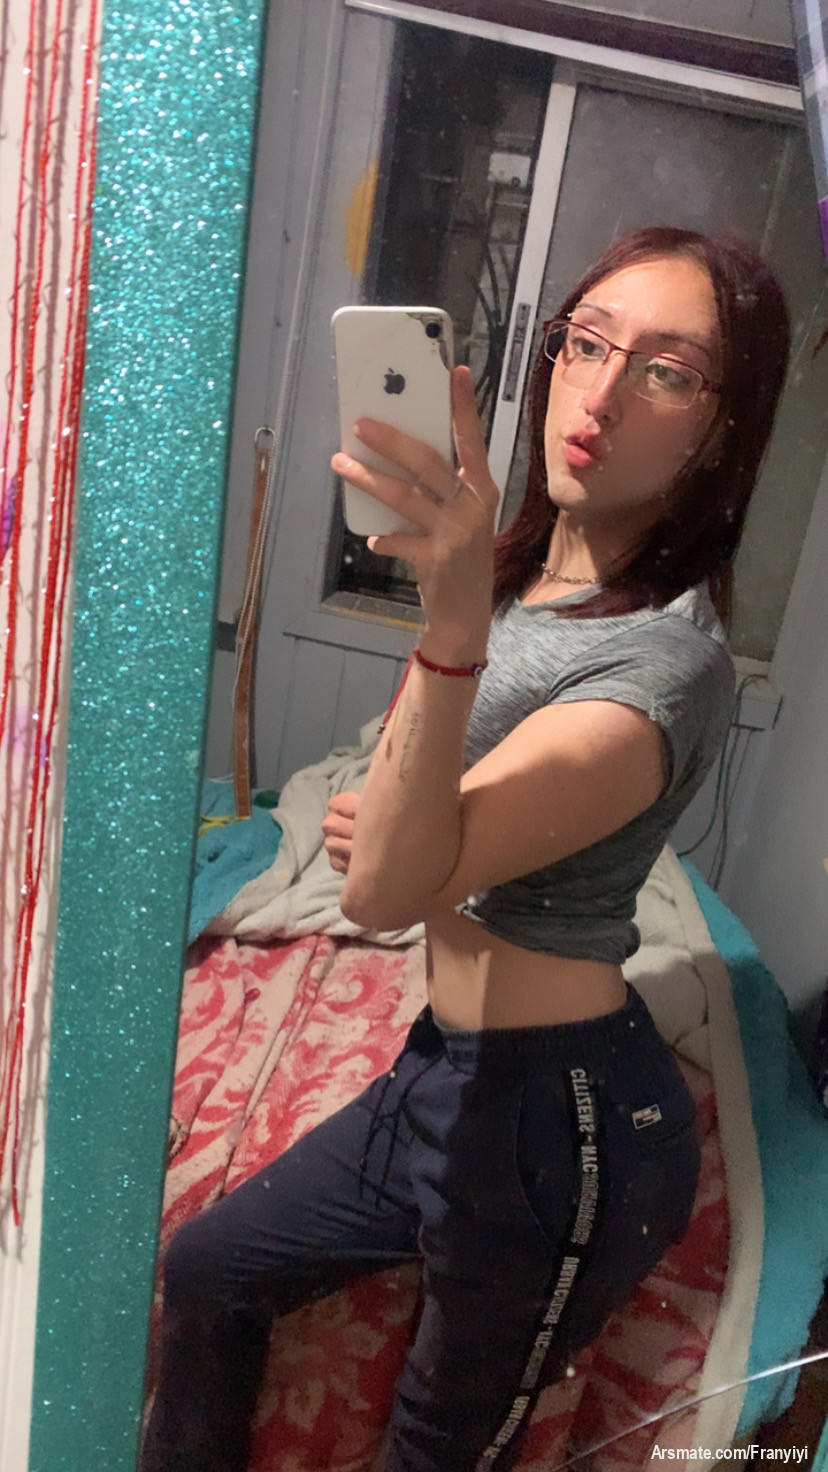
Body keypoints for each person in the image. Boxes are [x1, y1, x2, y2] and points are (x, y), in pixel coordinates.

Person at [140, 226, 790, 1472]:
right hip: (442, 1064)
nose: (601, 391)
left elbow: (384, 888)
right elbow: (411, 790)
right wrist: (410, 788)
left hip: (560, 1121)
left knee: (440, 1449)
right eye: (587, 343)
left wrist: (444, 646)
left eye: (667, 370)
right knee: (211, 1268)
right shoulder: (520, 574)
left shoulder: (669, 663)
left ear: (721, 429)